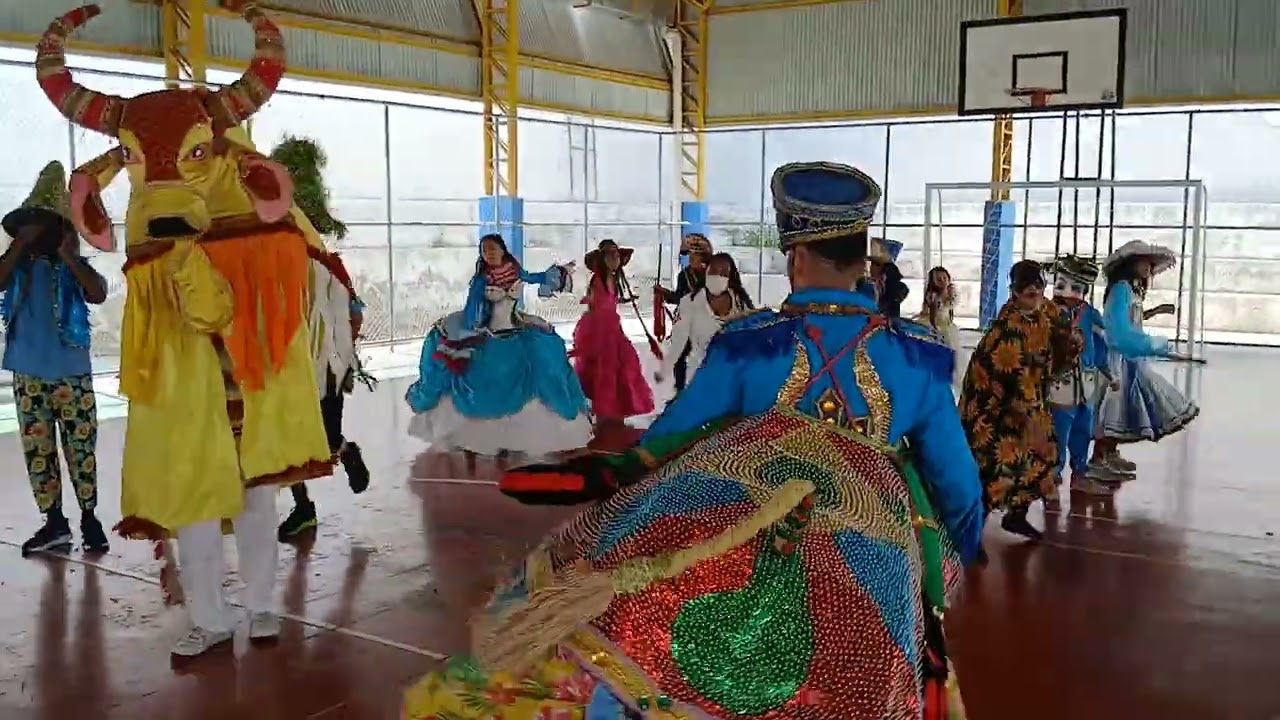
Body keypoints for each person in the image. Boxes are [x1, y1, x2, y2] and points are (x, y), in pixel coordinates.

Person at [404, 161, 982, 719]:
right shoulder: (919, 352)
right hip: (866, 563)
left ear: (797, 256)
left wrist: (618, 473)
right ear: (862, 261)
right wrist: (948, 553)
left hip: (729, 540)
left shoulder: (750, 342)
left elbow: (669, 437)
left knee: (646, 649)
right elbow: (958, 487)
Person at [33, 2, 336, 659]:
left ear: (220, 154)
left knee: (257, 497)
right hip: (182, 381)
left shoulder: (254, 223)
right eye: (141, 163)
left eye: (196, 154)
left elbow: (258, 278)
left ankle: (258, 607)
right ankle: (210, 615)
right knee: (196, 503)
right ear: (125, 165)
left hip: (248, 379)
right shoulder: (149, 248)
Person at [266, 135, 373, 542]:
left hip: (324, 366)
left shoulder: (326, 268)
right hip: (283, 366)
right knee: (281, 440)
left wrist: (344, 359)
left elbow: (355, 312)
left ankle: (346, 452)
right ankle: (303, 508)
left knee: (324, 441)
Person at [1, 162, 109, 557]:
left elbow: (96, 293)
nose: (40, 235)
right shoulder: (18, 268)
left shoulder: (73, 268)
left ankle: (90, 518)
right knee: (39, 454)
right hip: (29, 374)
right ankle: (54, 523)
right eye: (35, 227)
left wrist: (69, 256)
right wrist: (17, 246)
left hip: (72, 376)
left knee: (81, 451)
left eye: (49, 227)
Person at [406, 234, 590, 456]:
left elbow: (533, 278)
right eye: (485, 250)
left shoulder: (514, 270)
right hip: (483, 322)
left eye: (493, 249)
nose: (489, 253)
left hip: (512, 320)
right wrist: (475, 322)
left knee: (547, 346)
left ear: (502, 250)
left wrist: (554, 276)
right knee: (460, 352)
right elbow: (474, 304)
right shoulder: (482, 279)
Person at [960, 260, 1080, 541]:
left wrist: (1071, 339)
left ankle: (1016, 516)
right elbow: (1011, 377)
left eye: (1038, 286)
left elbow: (1060, 333)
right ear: (1014, 291)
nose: (1034, 292)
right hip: (995, 409)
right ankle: (971, 529)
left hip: (1030, 400)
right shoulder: (1009, 329)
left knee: (1043, 458)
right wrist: (1027, 417)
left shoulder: (1045, 309)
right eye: (1027, 288)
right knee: (997, 467)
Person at [1088, 240, 1200, 480]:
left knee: (1124, 407)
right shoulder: (1121, 289)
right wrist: (1153, 346)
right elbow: (1118, 330)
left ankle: (1109, 454)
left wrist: (1155, 312)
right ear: (1130, 264)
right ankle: (1099, 459)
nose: (1149, 266)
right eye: (1144, 261)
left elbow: (1131, 320)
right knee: (1113, 408)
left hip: (1130, 358)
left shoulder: (1130, 289)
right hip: (1119, 360)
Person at [1046, 254, 1114, 497]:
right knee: (1058, 433)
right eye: (1061, 285)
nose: (1067, 292)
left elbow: (1101, 341)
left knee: (1083, 431)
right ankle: (1052, 480)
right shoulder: (1048, 312)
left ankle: (1080, 474)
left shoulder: (1089, 314)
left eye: (1075, 288)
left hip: (1086, 383)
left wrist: (1108, 372)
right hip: (1059, 384)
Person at [572, 239, 654, 426]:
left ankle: (612, 410)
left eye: (617, 256)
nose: (616, 259)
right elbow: (595, 302)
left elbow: (607, 301)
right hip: (600, 329)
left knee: (619, 367)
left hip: (610, 327)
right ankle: (604, 412)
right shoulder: (599, 279)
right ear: (603, 259)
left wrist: (624, 300)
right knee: (605, 369)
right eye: (612, 256)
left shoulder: (611, 277)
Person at [655, 251, 754, 386]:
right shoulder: (690, 301)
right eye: (713, 271)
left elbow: (753, 332)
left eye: (723, 273)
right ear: (706, 271)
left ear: (730, 277)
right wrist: (664, 369)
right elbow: (678, 342)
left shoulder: (740, 302)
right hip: (699, 375)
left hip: (733, 375)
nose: (717, 276)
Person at [655, 233, 711, 391]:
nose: (691, 258)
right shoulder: (684, 275)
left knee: (709, 356)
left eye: (695, 254)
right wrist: (664, 293)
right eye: (690, 254)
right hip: (687, 321)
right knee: (679, 356)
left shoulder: (713, 273)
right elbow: (679, 298)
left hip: (709, 321)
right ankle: (679, 390)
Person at [915, 265, 962, 386]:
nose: (943, 282)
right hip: (935, 324)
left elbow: (953, 304)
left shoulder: (949, 293)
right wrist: (935, 328)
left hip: (946, 324)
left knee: (952, 351)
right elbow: (933, 316)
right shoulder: (933, 296)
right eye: (939, 280)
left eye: (944, 278)